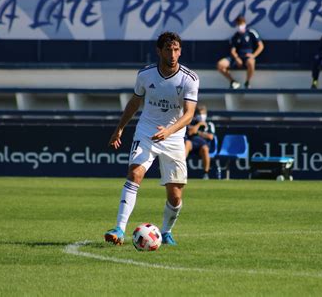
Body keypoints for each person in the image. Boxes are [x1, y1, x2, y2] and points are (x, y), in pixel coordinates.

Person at [105, 32, 199, 246]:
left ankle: (165, 232)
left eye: (176, 50)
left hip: (173, 137)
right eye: (168, 49)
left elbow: (189, 114)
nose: (173, 54)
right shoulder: (145, 75)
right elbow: (134, 103)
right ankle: (119, 228)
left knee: (175, 197)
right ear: (159, 51)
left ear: (180, 51)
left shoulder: (189, 78)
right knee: (135, 174)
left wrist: (169, 131)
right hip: (146, 132)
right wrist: (119, 128)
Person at [217, 15, 264, 89]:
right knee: (220, 64)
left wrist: (253, 55)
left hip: (247, 56)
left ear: (244, 23)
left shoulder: (251, 32)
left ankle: (247, 82)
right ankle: (233, 81)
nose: (240, 26)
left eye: (241, 23)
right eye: (238, 24)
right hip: (237, 57)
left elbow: (261, 46)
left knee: (251, 62)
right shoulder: (235, 36)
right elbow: (233, 50)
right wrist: (236, 58)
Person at [185, 105, 216, 180]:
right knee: (187, 143)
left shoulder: (210, 124)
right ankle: (180, 170)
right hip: (192, 144)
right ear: (196, 115)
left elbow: (210, 136)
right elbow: (190, 132)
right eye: (199, 114)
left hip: (202, 146)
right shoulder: (191, 122)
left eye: (203, 114)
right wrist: (199, 124)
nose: (201, 116)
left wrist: (197, 133)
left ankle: (206, 173)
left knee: (205, 149)